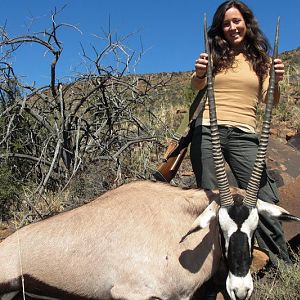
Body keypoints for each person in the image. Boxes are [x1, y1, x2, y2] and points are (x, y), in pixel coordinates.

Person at [190, 0, 291, 266]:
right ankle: (218, 269)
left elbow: (272, 99)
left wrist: (277, 80)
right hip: (208, 130)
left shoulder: (264, 62)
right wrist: (200, 73)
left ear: (246, 22)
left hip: (244, 134)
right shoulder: (213, 56)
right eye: (226, 23)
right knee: (212, 198)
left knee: (263, 197)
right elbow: (195, 86)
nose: (232, 27)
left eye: (237, 21)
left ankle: (283, 265)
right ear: (220, 29)